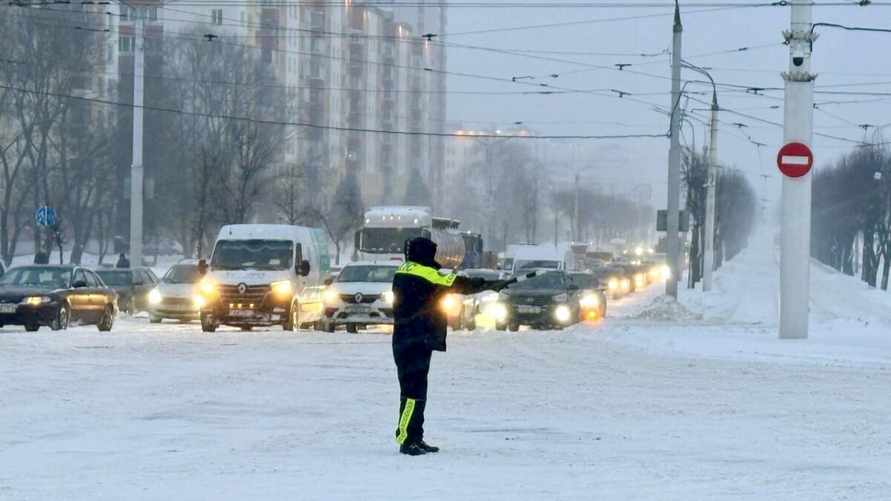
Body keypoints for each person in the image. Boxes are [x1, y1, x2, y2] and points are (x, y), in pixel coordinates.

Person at [391, 237, 512, 456]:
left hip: (411, 339)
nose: (435, 259)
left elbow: (446, 284)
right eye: (432, 254)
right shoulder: (423, 273)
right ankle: (406, 440)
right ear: (423, 254)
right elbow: (457, 283)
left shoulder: (407, 270)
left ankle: (416, 437)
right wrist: (490, 285)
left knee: (417, 392)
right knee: (412, 393)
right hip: (414, 340)